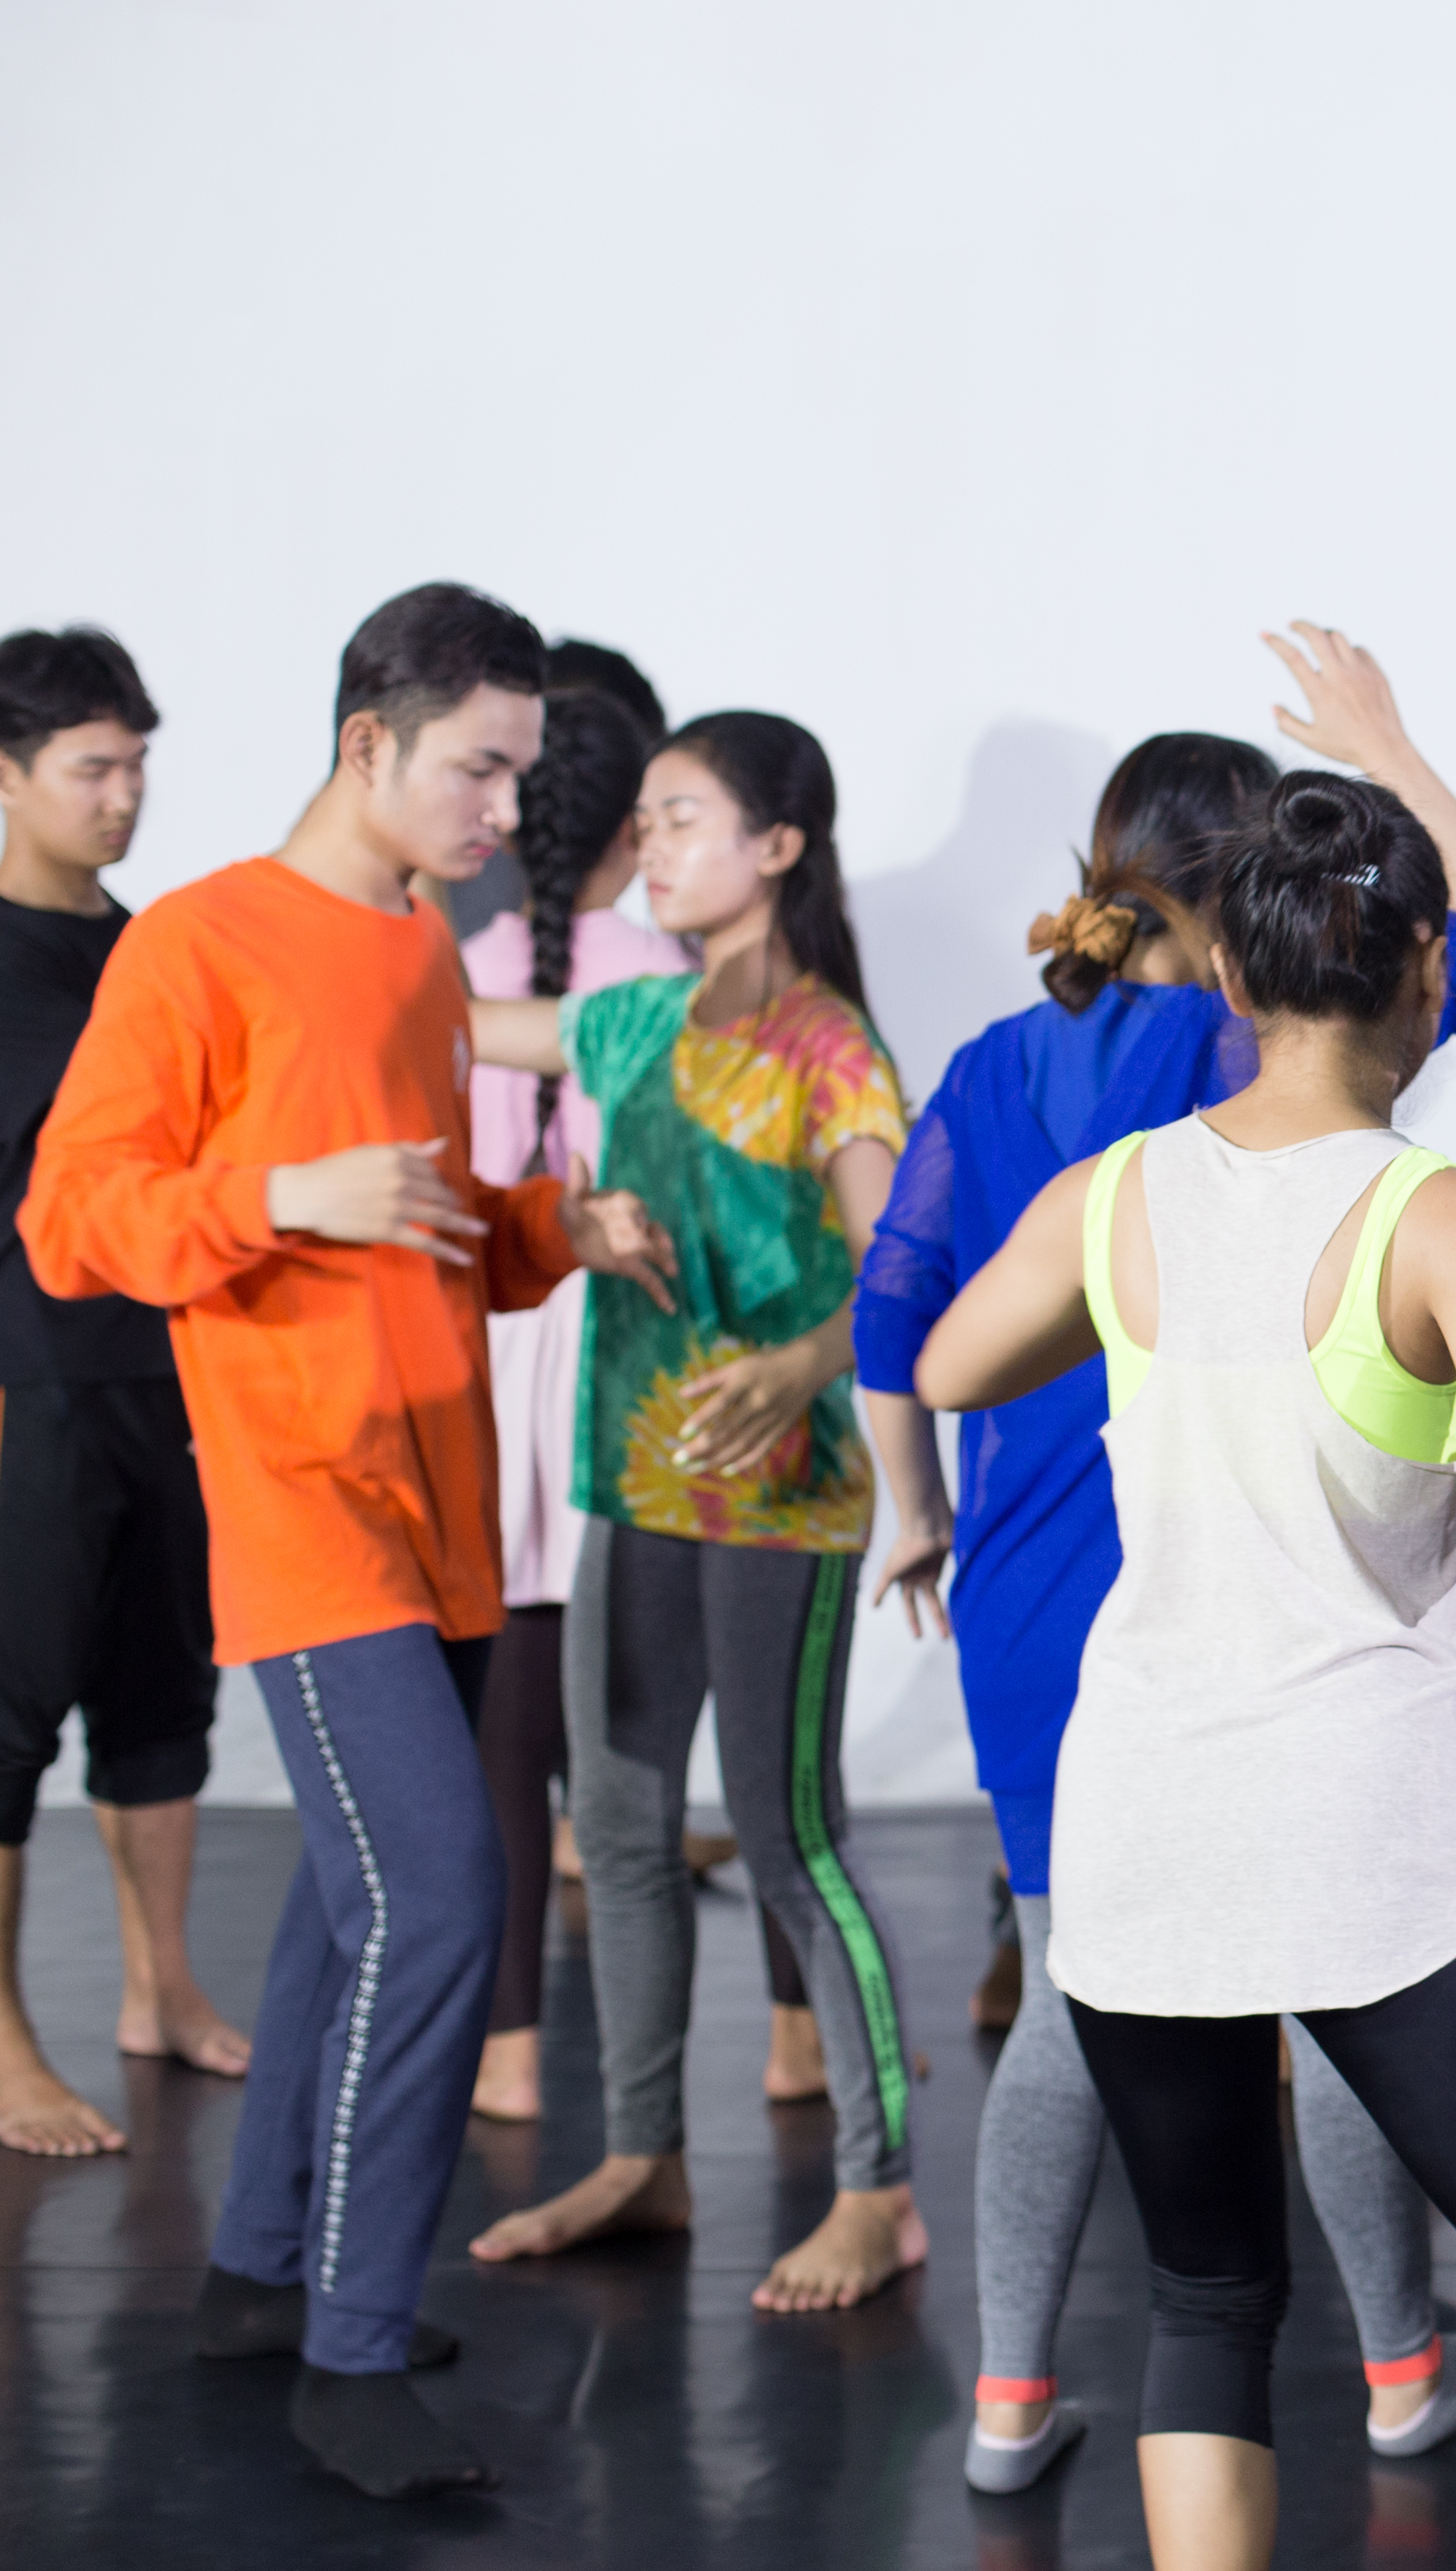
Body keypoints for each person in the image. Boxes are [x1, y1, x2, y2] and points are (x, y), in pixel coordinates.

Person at [914, 770, 1456, 2571]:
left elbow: (954, 1363)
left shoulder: (1115, 1194)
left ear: (1233, 981)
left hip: (1135, 1825)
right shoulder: (1438, 1215)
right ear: (1427, 968)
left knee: (1207, 2296)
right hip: (1361, 1847)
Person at [850, 628, 1456, 2492]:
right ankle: (1402, 2362)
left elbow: (901, 1315)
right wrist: (1395, 739)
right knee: (1332, 2006)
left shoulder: (1005, 1061)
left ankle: (1005, 2397)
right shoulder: (1244, 1044)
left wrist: (910, 1504)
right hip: (1225, 1578)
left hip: (1025, 1592)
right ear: (1254, 914)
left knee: (1093, 2004)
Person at [21, 582, 674, 2496]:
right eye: (482, 767)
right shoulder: (206, 939)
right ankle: (351, 2349)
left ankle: (254, 2275)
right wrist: (285, 1188)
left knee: (345, 1894)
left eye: (524, 773)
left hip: (441, 1497)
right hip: (305, 1506)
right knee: (443, 1897)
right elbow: (78, 1222)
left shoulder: (407, 947)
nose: (509, 812)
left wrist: (563, 1227)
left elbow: (437, 1208)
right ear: (367, 740)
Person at [458, 709, 925, 2313]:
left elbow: (912, 1283)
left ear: (778, 847)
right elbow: (453, 1022)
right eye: (643, 823)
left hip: (787, 1506)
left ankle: (881, 2189)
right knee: (628, 1828)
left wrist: (806, 1359)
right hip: (633, 1486)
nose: (647, 847)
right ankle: (643, 2152)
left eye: (681, 820)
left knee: (791, 1838)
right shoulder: (627, 1019)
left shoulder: (833, 1050)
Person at [0, 626, 250, 2160]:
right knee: (10, 1716)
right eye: (95, 766)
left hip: (168, 1371)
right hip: (23, 1386)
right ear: (10, 773)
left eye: (140, 763)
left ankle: (160, 1986)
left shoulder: (151, 948)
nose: (126, 794)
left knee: (164, 1699)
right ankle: (6, 2040)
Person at [458, 683, 686, 2123]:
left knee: (503, 1726)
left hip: (496, 1348)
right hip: (620, 1356)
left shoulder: (464, 958)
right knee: (644, 1731)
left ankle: (507, 2051)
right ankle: (789, 2039)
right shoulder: (666, 971)